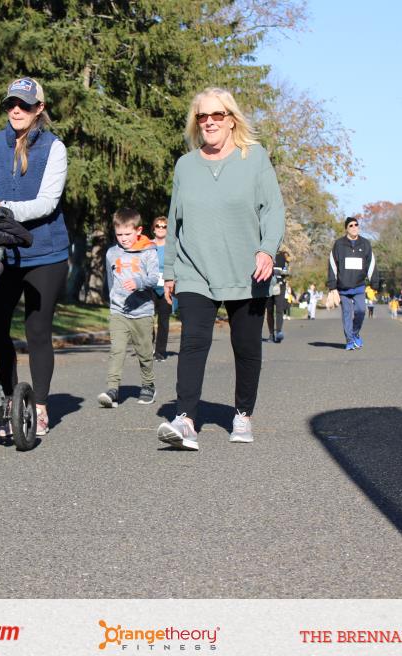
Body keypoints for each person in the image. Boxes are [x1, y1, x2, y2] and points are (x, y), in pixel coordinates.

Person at [155, 87, 285, 451]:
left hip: (248, 271)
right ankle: (185, 420)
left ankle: (242, 414)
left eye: (217, 115)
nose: (209, 122)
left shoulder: (254, 157)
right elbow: (174, 221)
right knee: (193, 341)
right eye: (202, 116)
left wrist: (267, 250)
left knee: (246, 346)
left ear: (231, 120)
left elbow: (273, 209)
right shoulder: (185, 165)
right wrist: (170, 271)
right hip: (195, 269)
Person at [0, 76, 68, 437]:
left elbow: (47, 203)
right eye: (11, 103)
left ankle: (38, 407)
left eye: (24, 104)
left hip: (45, 253)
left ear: (39, 108)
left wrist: (1, 210)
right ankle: (10, 403)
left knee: (37, 330)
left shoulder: (54, 148)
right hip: (1, 253)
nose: (16, 110)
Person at [98, 208, 160, 408]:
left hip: (142, 311)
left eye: (127, 234)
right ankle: (112, 389)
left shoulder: (148, 251)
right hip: (119, 312)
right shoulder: (112, 253)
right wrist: (112, 300)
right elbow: (110, 280)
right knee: (117, 350)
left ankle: (148, 385)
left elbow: (154, 278)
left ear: (138, 230)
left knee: (144, 353)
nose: (123, 238)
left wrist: (138, 283)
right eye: (119, 234)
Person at [326, 216, 378, 351]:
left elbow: (371, 264)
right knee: (347, 314)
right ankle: (349, 340)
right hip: (343, 287)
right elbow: (332, 265)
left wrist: (374, 283)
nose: (354, 227)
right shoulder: (339, 244)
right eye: (351, 225)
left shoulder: (365, 244)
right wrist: (332, 286)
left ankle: (355, 333)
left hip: (359, 286)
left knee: (361, 311)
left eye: (356, 225)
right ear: (346, 229)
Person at [150, 215, 172, 361]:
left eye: (164, 226)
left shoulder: (172, 247)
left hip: (166, 288)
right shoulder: (148, 245)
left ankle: (160, 352)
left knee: (163, 321)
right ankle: (148, 347)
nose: (161, 228)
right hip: (149, 287)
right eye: (158, 226)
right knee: (147, 319)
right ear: (154, 228)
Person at [265, 248, 290, 343]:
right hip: (267, 286)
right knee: (269, 310)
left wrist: (283, 272)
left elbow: (286, 271)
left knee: (279, 309)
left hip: (280, 286)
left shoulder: (283, 257)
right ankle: (271, 334)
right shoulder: (266, 254)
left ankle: (279, 332)